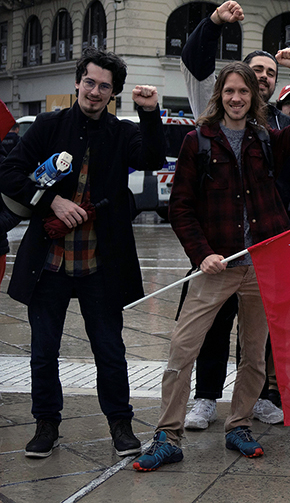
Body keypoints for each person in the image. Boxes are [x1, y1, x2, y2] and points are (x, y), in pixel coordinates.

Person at [133, 49, 290, 471]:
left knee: (254, 355)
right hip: (216, 267)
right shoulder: (197, 140)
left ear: (255, 97)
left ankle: (238, 425)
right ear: (220, 94)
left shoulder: (267, 139)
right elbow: (180, 207)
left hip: (261, 265)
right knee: (183, 349)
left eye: (244, 91)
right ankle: (168, 435)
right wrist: (202, 255)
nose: (237, 98)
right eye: (230, 90)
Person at [0, 49, 166, 459]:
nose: (94, 91)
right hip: (49, 262)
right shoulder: (47, 125)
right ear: (78, 82)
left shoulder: (120, 132)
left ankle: (121, 424)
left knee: (110, 349)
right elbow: (9, 172)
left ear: (114, 94)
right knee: (43, 350)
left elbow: (152, 157)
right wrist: (51, 202)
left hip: (100, 264)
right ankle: (46, 426)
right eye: (89, 82)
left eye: (104, 86)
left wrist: (149, 113)